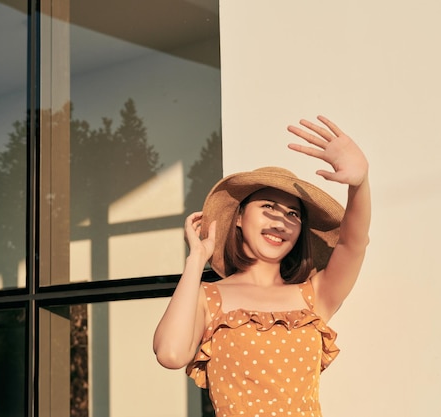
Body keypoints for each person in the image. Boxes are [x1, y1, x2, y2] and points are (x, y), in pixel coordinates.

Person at [153, 115, 371, 417]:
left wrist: (359, 184)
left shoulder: (315, 295)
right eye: (268, 206)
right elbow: (171, 354)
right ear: (239, 218)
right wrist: (194, 262)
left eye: (293, 214)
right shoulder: (208, 297)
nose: (281, 220)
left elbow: (353, 244)